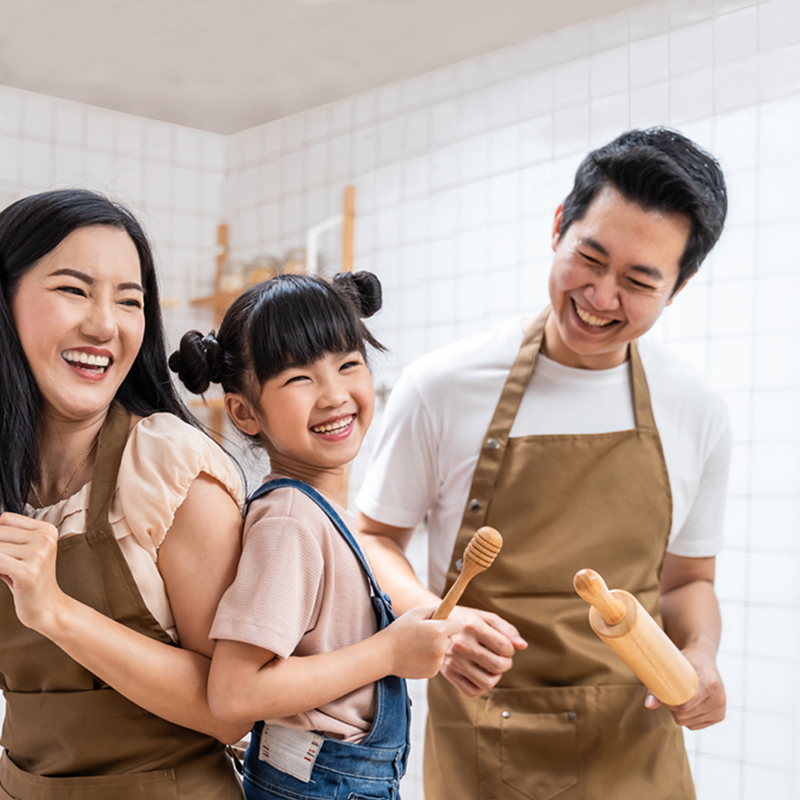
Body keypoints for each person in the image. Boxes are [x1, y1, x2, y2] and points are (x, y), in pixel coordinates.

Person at [356, 128, 731, 800]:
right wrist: (438, 618)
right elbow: (376, 538)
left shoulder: (696, 409)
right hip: (486, 748)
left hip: (636, 756)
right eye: (590, 257)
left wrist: (699, 657)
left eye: (640, 281)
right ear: (559, 227)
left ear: (680, 285)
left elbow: (686, 584)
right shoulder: (443, 385)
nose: (601, 297)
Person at [169, 271, 462, 800]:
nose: (333, 395)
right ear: (244, 410)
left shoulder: (319, 513)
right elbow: (234, 694)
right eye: (298, 379)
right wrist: (389, 655)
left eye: (348, 365)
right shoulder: (291, 521)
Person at [0, 189, 247, 799]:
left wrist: (56, 611)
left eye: (129, 300)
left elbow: (234, 709)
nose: (105, 324)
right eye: (74, 290)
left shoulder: (170, 469)